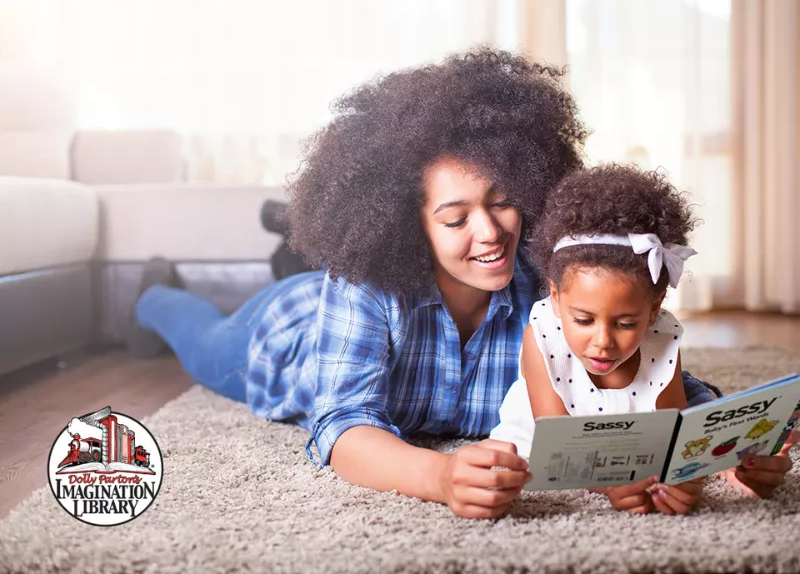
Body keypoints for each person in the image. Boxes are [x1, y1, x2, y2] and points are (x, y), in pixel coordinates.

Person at [130, 48, 718, 519]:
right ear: (408, 224)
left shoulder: (555, 286)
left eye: (504, 202)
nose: (490, 233)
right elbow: (341, 423)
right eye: (456, 218)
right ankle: (152, 289)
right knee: (200, 336)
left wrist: (730, 453)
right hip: (287, 333)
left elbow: (659, 379)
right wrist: (440, 475)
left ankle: (277, 248)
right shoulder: (364, 284)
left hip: (342, 295)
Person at [489, 164, 796, 514]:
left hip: (634, 447)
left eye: (625, 323)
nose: (603, 340)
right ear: (556, 297)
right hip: (544, 447)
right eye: (584, 319)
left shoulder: (661, 338)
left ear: (654, 309)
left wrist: (684, 479)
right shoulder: (541, 334)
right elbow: (560, 449)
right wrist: (612, 484)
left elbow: (676, 436)